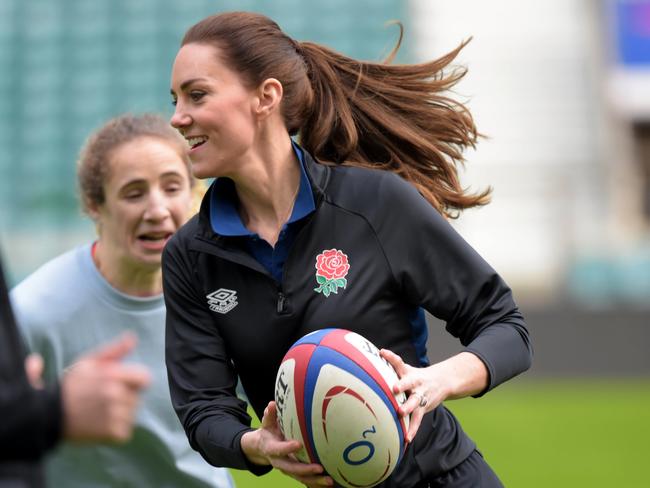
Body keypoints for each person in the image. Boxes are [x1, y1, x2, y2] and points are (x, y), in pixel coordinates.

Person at [164, 11, 532, 488]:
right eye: (175, 100)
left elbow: (506, 328)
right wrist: (255, 445)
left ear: (266, 97)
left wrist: (434, 383)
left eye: (197, 95)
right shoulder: (190, 256)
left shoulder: (377, 204)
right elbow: (202, 407)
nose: (177, 118)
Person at [10, 114, 235, 488]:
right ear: (95, 206)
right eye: (134, 193)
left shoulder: (225, 296)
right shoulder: (33, 313)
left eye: (172, 187)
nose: (157, 210)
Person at [1, 252, 151, 488]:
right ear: (94, 211)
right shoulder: (32, 307)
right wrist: (50, 410)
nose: (157, 213)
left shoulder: (207, 288)